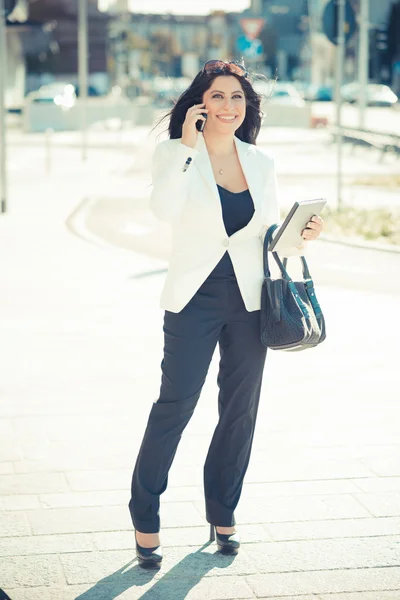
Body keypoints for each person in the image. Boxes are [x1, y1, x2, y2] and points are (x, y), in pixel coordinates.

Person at [128, 60, 323, 569]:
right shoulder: (174, 154)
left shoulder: (260, 162)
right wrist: (189, 149)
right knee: (175, 406)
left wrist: (300, 236)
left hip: (249, 300)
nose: (229, 107)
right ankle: (145, 513)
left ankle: (223, 510)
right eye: (218, 97)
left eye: (238, 98)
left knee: (239, 413)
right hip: (193, 299)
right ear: (200, 103)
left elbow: (267, 236)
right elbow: (164, 211)